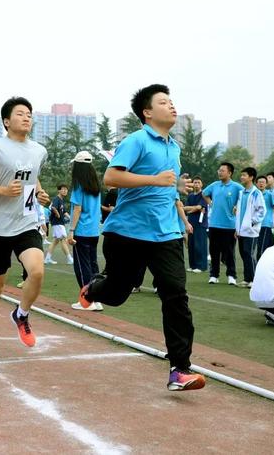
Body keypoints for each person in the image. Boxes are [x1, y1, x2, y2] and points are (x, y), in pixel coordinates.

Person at [79, 84, 205, 391]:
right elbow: (111, 177)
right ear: (147, 112)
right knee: (117, 293)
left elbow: (164, 186)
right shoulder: (136, 141)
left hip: (166, 234)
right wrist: (156, 179)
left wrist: (177, 190)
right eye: (164, 102)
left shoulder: (174, 147)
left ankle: (179, 368)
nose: (172, 106)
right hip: (128, 232)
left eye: (172, 101)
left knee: (175, 293)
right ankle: (94, 288)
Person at [0, 96, 50, 353]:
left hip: (27, 222)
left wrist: (39, 192)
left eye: (29, 113)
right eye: (20, 113)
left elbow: (33, 178)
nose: (26, 117)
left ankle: (22, 314)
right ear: (6, 121)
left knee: (36, 271)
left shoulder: (39, 151)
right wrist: (3, 191)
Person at [66, 151, 103, 311]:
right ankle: (96, 299)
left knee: (82, 267)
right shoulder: (96, 185)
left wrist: (71, 230)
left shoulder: (78, 185)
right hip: (94, 230)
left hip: (82, 230)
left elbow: (77, 209)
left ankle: (87, 300)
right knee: (93, 265)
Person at [203, 163, 244, 285]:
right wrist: (211, 203)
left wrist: (238, 206)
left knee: (229, 252)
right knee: (214, 251)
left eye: (222, 170)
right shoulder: (215, 185)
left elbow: (244, 198)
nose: (219, 172)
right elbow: (204, 193)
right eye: (219, 170)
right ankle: (214, 275)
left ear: (230, 173)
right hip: (214, 224)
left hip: (229, 225)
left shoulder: (237, 187)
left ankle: (231, 275)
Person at [234, 167, 266, 288]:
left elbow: (262, 210)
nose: (242, 177)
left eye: (244, 175)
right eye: (241, 175)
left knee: (249, 253)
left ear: (251, 177)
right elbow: (240, 212)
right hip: (241, 230)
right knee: (243, 254)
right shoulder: (242, 192)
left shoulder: (256, 193)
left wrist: (252, 222)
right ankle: (247, 279)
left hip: (251, 231)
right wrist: (237, 228)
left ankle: (254, 280)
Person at [183, 176, 208, 273]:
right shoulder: (190, 196)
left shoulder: (204, 195)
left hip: (200, 224)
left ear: (202, 184)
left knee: (200, 245)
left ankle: (201, 266)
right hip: (191, 223)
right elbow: (184, 208)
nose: (196, 184)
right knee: (191, 245)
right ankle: (192, 265)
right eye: (195, 182)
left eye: (198, 182)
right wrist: (194, 209)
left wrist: (193, 209)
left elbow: (199, 207)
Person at [44, 184, 73, 265]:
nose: (65, 191)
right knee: (63, 239)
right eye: (63, 189)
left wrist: (70, 218)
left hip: (59, 223)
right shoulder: (57, 199)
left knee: (55, 241)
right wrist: (57, 214)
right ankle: (69, 259)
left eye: (66, 189)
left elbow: (64, 212)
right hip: (57, 223)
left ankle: (47, 258)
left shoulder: (61, 200)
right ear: (59, 190)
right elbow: (53, 207)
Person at [256, 175, 274, 260]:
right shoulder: (254, 194)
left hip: (266, 224)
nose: (261, 184)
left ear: (266, 184)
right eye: (259, 182)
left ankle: (260, 264)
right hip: (256, 225)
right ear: (256, 183)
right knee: (268, 246)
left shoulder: (269, 194)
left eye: (263, 182)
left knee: (263, 247)